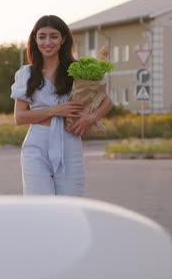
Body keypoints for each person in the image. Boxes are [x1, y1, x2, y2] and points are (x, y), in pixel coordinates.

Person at [10, 15, 112, 196]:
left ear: (63, 39)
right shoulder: (27, 73)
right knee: (41, 208)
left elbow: (106, 102)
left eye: (53, 36)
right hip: (36, 145)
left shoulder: (77, 69)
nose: (47, 42)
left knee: (70, 206)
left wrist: (91, 118)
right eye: (42, 36)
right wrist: (55, 110)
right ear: (35, 39)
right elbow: (20, 117)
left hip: (69, 142)